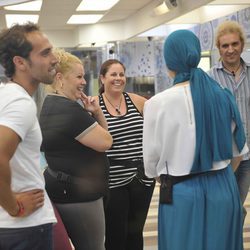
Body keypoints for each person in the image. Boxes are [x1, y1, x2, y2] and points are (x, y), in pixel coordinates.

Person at [143, 29, 249, 250]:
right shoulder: (221, 95)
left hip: (181, 191)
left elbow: (151, 163)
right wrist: (220, 177)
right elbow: (238, 151)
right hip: (223, 186)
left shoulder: (157, 103)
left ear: (169, 60)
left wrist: (163, 177)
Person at [39, 48, 113, 250]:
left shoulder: (50, 105)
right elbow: (106, 142)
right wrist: (97, 114)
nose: (84, 81)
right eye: (79, 77)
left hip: (64, 188)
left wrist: (95, 112)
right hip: (80, 196)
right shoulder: (69, 111)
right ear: (61, 78)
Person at [0, 23, 57, 250]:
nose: (54, 59)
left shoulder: (5, 95)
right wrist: (13, 206)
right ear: (20, 62)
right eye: (45, 53)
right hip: (23, 226)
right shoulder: (19, 102)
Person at [96, 59, 155, 250]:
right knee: (115, 233)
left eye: (121, 74)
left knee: (135, 232)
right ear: (102, 78)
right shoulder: (94, 105)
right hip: (113, 179)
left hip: (142, 178)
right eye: (113, 74)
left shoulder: (136, 100)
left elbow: (159, 125)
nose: (118, 78)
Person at [208, 20, 250, 221]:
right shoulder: (209, 78)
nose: (230, 50)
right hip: (224, 156)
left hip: (248, 156)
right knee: (228, 207)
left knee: (235, 205)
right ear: (218, 48)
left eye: (235, 44)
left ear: (242, 44)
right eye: (225, 45)